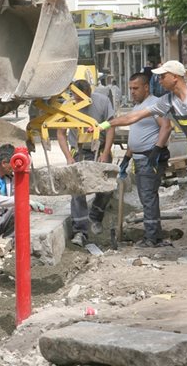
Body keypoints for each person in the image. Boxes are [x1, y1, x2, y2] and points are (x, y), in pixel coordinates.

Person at [98, 61, 187, 266]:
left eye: (162, 76)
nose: (159, 79)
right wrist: (105, 124)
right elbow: (136, 115)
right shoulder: (168, 101)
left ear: (175, 76)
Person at [57, 79, 115, 247]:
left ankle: (96, 215)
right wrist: (68, 156)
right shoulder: (68, 106)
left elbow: (111, 127)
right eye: (78, 98)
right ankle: (80, 231)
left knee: (107, 185)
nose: (81, 102)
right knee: (77, 190)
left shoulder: (103, 102)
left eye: (85, 97)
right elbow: (61, 133)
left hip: (99, 149)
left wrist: (105, 153)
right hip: (79, 152)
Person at [119, 73, 172, 247]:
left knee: (148, 197)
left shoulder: (154, 104)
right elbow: (137, 135)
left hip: (150, 159)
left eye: (136, 88)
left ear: (146, 87)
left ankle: (152, 238)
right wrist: (126, 158)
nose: (132, 92)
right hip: (139, 158)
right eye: (130, 89)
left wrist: (156, 150)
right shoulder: (137, 107)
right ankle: (153, 235)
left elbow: (166, 127)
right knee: (146, 198)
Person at [0, 144, 44, 252]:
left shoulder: (9, 177)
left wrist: (28, 203)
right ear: (4, 163)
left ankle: (8, 241)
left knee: (23, 208)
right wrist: (22, 200)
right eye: (13, 163)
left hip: (3, 216)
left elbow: (18, 195)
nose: (15, 167)